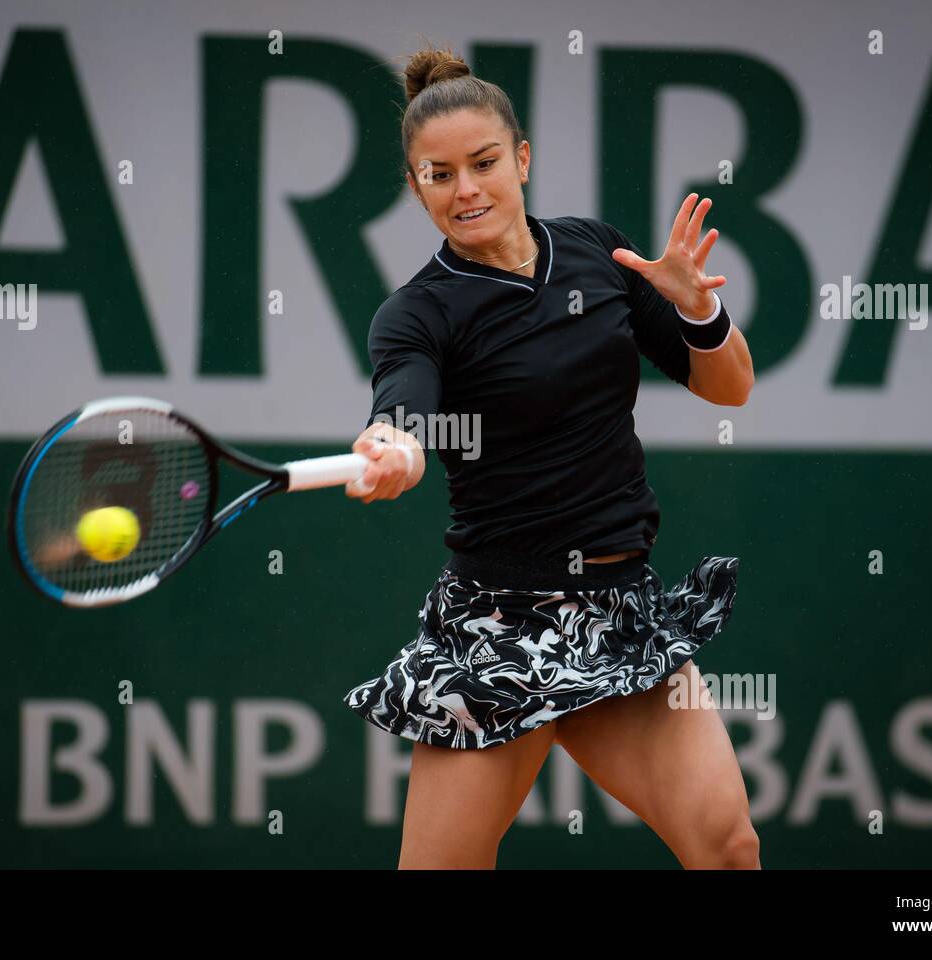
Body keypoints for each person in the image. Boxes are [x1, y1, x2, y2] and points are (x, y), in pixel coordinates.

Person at [342, 44, 758, 870]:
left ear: (521, 158)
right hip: (497, 628)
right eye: (438, 174)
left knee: (728, 847)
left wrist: (697, 311)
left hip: (622, 613)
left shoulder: (598, 257)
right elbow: (406, 414)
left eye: (484, 163)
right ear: (416, 185)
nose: (465, 191)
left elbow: (731, 387)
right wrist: (390, 446)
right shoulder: (416, 315)